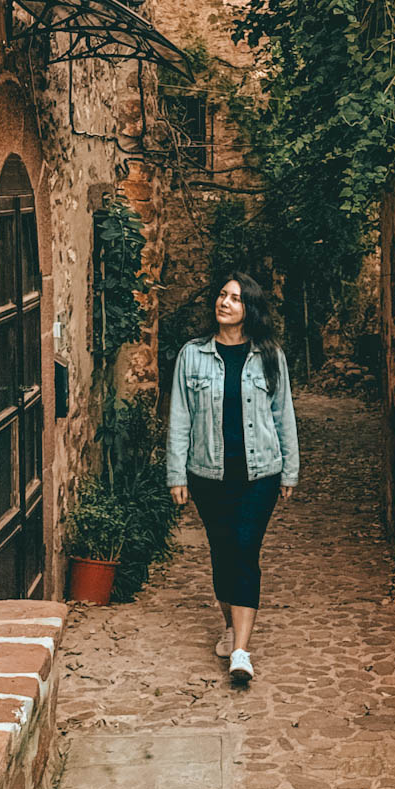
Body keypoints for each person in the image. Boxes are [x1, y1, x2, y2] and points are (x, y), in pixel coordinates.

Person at [166, 272, 299, 686]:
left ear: (249, 309)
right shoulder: (192, 355)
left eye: (235, 299)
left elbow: (283, 414)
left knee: (245, 550)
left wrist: (290, 470)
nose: (224, 303)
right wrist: (176, 473)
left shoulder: (270, 355)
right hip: (208, 474)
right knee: (222, 552)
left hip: (260, 474)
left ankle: (241, 651)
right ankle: (230, 625)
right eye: (222, 296)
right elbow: (179, 418)